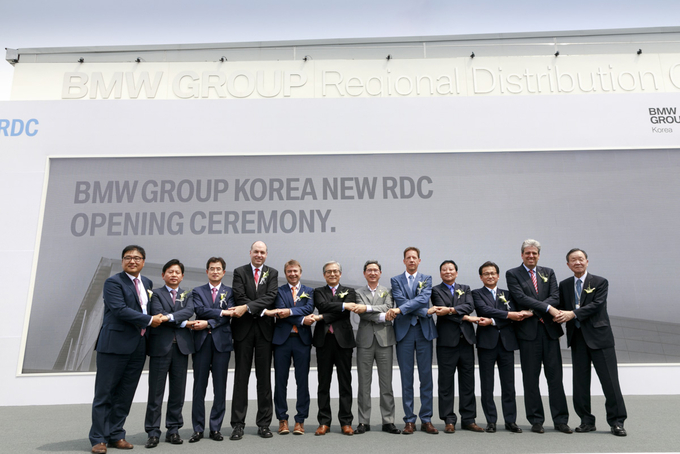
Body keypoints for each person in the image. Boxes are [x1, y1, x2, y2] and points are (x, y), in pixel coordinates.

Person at [89, 245, 166, 454]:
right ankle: (98, 438)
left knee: (125, 393)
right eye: (128, 257)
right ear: (123, 261)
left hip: (138, 346)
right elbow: (120, 310)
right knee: (105, 393)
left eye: (137, 258)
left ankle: (116, 434)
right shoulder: (113, 282)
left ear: (143, 261)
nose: (132, 261)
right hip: (114, 345)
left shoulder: (147, 283)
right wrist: (150, 320)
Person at [555, 248, 627, 436]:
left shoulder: (600, 282)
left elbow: (597, 305)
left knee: (610, 382)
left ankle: (617, 422)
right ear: (568, 265)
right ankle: (586, 421)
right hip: (577, 339)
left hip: (600, 338)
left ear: (587, 261)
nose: (577, 262)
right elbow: (558, 306)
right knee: (580, 383)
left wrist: (573, 314)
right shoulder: (564, 285)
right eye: (573, 260)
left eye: (580, 259)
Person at [506, 239, 572, 434]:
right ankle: (536, 420)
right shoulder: (513, 274)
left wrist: (536, 310)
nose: (531, 256)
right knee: (531, 378)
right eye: (527, 253)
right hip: (528, 334)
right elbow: (520, 298)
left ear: (539, 255)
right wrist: (548, 308)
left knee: (555, 378)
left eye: (534, 253)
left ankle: (561, 420)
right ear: (522, 255)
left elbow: (555, 297)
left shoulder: (548, 272)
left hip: (549, 332)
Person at [229, 241, 279, 440]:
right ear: (250, 253)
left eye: (262, 252)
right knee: (241, 378)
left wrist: (249, 308)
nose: (259, 255)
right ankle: (237, 424)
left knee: (264, 378)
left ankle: (264, 424)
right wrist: (256, 308)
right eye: (256, 251)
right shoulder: (239, 272)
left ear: (266, 254)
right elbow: (239, 297)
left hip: (265, 332)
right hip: (243, 331)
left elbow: (271, 297)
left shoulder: (272, 273)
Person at [144, 259, 196, 448]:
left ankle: (173, 430)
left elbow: (189, 311)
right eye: (170, 272)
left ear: (182, 276)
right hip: (160, 348)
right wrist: (180, 321)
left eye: (177, 272)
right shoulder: (155, 294)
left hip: (181, 349)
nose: (174, 275)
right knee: (155, 392)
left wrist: (170, 317)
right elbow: (157, 314)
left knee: (177, 392)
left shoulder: (187, 294)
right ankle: (153, 432)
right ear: (163, 275)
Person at [430, 260, 486, 433]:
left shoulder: (465, 288)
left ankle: (468, 419)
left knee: (467, 382)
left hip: (466, 341)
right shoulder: (436, 290)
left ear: (456, 272)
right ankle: (449, 419)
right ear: (440, 273)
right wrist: (465, 316)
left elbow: (469, 306)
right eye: (444, 270)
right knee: (446, 383)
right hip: (447, 342)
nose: (448, 272)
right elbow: (441, 312)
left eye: (451, 269)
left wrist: (451, 310)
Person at [388, 247, 438, 435]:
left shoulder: (427, 278)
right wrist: (425, 311)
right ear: (404, 261)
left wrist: (404, 309)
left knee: (426, 377)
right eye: (408, 258)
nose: (411, 260)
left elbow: (423, 298)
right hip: (404, 332)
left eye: (414, 257)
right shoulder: (396, 280)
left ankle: (426, 419)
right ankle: (409, 419)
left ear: (419, 260)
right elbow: (401, 302)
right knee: (406, 377)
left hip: (424, 331)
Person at [472, 261, 525, 433]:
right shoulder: (476, 294)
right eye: (486, 274)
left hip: (507, 344)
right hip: (486, 344)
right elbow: (484, 310)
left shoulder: (508, 294)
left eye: (493, 273)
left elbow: (516, 317)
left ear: (498, 275)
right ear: (481, 277)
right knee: (487, 384)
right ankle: (491, 421)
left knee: (508, 384)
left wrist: (494, 321)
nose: (490, 276)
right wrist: (508, 315)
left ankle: (510, 421)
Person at [305, 261, 357, 436]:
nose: (332, 274)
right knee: (323, 383)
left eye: (335, 271)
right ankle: (324, 422)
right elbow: (322, 305)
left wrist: (322, 317)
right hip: (324, 341)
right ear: (324, 275)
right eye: (329, 272)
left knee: (345, 383)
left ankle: (346, 422)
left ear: (340, 274)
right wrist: (342, 305)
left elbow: (343, 312)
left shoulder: (349, 291)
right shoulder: (318, 291)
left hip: (344, 342)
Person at [188, 257, 236, 443]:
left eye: (218, 269)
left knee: (220, 387)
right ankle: (198, 429)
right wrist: (222, 312)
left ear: (223, 272)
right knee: (199, 387)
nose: (215, 272)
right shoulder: (197, 291)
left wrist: (209, 323)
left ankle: (215, 428)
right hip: (201, 343)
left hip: (221, 344)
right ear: (207, 271)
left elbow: (228, 316)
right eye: (212, 269)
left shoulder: (230, 292)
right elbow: (200, 310)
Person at [266, 259, 315, 435]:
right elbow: (280, 311)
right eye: (289, 271)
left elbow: (308, 308)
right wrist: (301, 319)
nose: (292, 274)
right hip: (282, 342)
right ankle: (282, 419)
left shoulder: (309, 291)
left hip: (302, 341)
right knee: (281, 381)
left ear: (300, 272)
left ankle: (300, 420)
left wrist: (289, 311)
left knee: (302, 382)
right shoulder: (279, 291)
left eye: (295, 271)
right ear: (285, 273)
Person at [353, 260, 401, 435]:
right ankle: (363, 421)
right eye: (369, 270)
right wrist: (381, 315)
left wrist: (367, 308)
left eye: (375, 270)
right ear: (364, 273)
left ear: (380, 273)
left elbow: (388, 307)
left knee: (386, 383)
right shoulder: (358, 292)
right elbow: (362, 314)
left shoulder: (388, 291)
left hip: (384, 341)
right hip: (365, 342)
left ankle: (388, 421)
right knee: (364, 384)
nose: (372, 273)